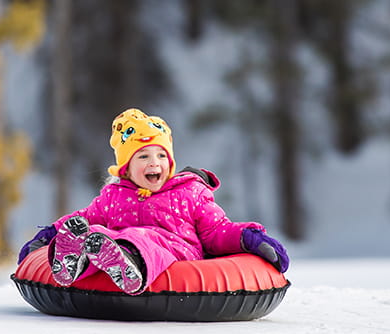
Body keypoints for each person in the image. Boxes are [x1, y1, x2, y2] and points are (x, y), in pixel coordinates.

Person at [17, 108, 288, 295]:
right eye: (143, 157)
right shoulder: (114, 196)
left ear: (170, 162)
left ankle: (127, 262)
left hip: (174, 250)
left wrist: (250, 238)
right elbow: (86, 218)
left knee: (139, 236)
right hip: (117, 243)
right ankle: (74, 263)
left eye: (160, 156)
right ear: (126, 168)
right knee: (96, 233)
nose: (153, 163)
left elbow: (216, 230)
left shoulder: (189, 192)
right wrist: (49, 235)